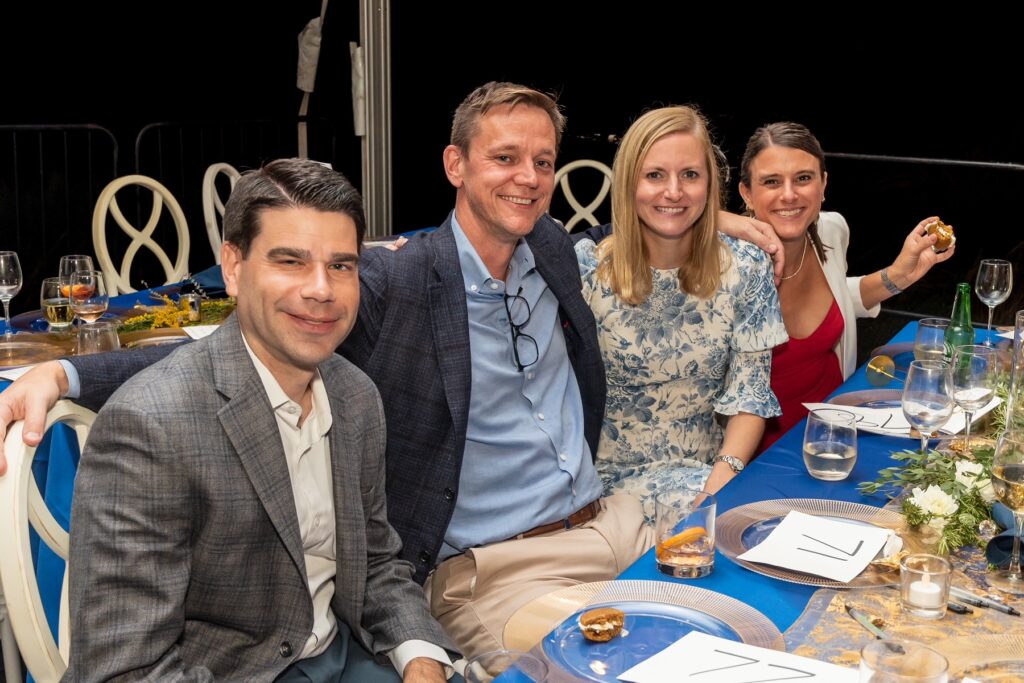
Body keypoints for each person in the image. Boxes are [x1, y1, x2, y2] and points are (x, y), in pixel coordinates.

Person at [0, 83, 652, 660]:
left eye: (543, 162)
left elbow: (626, 230)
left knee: (735, 616)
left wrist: (737, 222)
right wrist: (66, 375)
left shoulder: (552, 245)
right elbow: (237, 345)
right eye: (506, 158)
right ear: (455, 164)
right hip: (500, 567)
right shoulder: (391, 278)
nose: (530, 178)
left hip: (608, 522)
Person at [62, 159, 455, 681]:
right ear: (232, 266)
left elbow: (378, 564)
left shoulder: (355, 395)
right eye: (290, 261)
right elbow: (124, 670)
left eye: (341, 265)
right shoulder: (149, 426)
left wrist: (422, 660)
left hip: (341, 653)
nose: (322, 289)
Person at [573, 106, 787, 520]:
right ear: (628, 183)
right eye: (654, 175)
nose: (674, 191)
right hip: (602, 487)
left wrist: (722, 479)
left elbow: (750, 396)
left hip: (710, 476)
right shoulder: (586, 268)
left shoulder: (747, 267)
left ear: (709, 183)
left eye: (690, 175)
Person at [737, 122, 955, 452]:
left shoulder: (830, 232)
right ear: (747, 194)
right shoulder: (725, 264)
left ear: (823, 184)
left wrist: (899, 275)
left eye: (803, 178)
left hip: (841, 431)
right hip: (756, 454)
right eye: (771, 182)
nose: (789, 194)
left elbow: (838, 296)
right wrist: (719, 220)